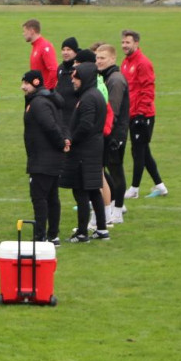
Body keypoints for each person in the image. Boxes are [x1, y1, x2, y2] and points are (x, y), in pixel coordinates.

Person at [62, 62, 110, 242]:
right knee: (92, 190)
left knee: (81, 191)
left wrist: (72, 139)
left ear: (85, 78)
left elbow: (86, 125)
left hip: (84, 151)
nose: (73, 80)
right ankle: (102, 229)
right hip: (94, 148)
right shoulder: (94, 94)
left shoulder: (88, 98)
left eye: (76, 77)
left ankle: (82, 232)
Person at [21, 70, 65, 244]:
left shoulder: (38, 103)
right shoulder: (47, 100)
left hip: (42, 159)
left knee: (40, 198)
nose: (22, 87)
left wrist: (61, 143)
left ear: (36, 82)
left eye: (26, 83)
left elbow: (50, 127)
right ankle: (53, 235)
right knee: (52, 197)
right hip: (50, 158)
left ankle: (41, 236)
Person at [122, 29, 166, 198]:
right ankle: (160, 186)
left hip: (143, 115)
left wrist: (141, 114)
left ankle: (134, 188)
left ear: (136, 43)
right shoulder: (126, 62)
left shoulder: (143, 63)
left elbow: (148, 89)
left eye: (128, 42)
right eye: (123, 42)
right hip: (131, 113)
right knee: (143, 151)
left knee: (138, 151)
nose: (125, 45)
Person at [95, 44, 129, 225]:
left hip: (115, 134)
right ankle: (113, 204)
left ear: (113, 59)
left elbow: (113, 111)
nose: (98, 61)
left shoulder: (115, 80)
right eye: (97, 58)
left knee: (116, 170)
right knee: (105, 169)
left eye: (102, 58)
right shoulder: (106, 77)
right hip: (109, 132)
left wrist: (107, 133)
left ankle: (118, 209)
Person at [22, 19, 58, 90]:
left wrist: (46, 90)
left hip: (44, 93)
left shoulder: (45, 46)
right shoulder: (36, 46)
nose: (23, 34)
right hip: (37, 91)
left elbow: (54, 70)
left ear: (32, 31)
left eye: (25, 31)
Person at [55, 37, 80, 128]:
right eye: (63, 50)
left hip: (74, 115)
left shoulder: (79, 68)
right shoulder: (60, 68)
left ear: (75, 51)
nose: (65, 52)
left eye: (69, 49)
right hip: (61, 115)